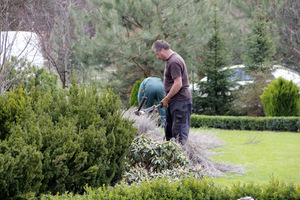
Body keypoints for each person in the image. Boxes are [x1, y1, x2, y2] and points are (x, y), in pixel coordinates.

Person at [152, 40, 192, 144]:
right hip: (174, 102)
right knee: (169, 134)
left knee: (179, 136)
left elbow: (178, 84)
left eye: (157, 54)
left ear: (162, 50)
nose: (158, 57)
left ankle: (182, 158)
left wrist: (167, 98)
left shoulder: (174, 61)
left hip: (180, 103)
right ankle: (171, 159)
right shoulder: (171, 60)